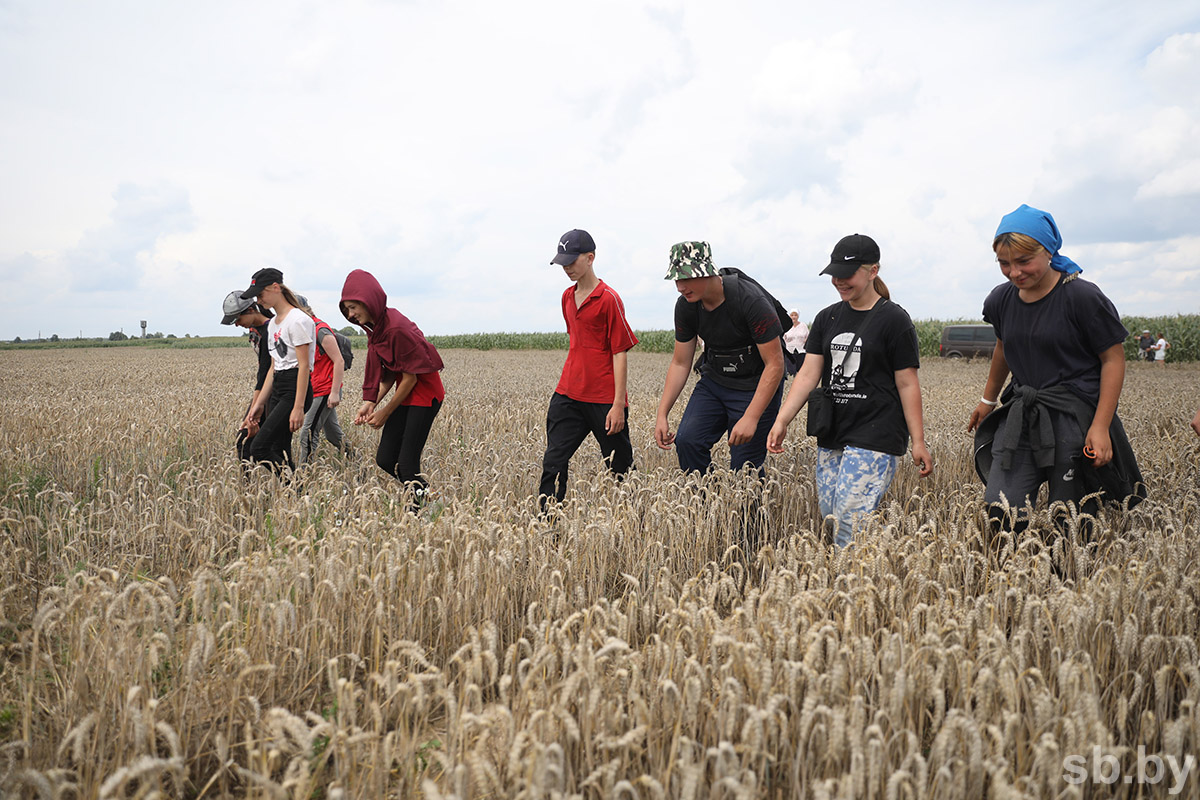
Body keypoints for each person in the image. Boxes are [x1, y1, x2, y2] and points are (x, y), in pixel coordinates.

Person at [967, 205, 1141, 536]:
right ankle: (1011, 577)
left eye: (1023, 261)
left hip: (1073, 417)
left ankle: (1073, 578)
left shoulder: (1082, 298)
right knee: (1002, 505)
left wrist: (1101, 426)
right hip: (1023, 414)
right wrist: (988, 400)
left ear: (1048, 251)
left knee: (1072, 516)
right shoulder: (1001, 300)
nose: (1014, 272)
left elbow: (1113, 360)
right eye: (1005, 264)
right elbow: (1004, 346)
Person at [767, 234, 932, 548]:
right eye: (834, 275)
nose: (839, 281)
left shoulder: (895, 320)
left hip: (876, 432)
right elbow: (807, 374)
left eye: (848, 275)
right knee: (831, 512)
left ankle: (849, 588)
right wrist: (782, 419)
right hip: (834, 429)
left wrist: (919, 441)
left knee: (850, 518)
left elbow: (907, 383)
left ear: (873, 272)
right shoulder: (828, 317)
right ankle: (863, 568)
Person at [654, 241, 784, 475]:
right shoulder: (686, 306)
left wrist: (751, 417)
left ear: (708, 271)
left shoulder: (749, 300)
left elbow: (775, 364)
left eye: (686, 278)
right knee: (688, 441)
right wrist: (662, 413)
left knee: (745, 469)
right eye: (677, 279)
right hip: (715, 382)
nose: (680, 287)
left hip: (754, 386)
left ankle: (746, 511)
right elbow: (681, 362)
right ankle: (709, 505)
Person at [539, 229, 639, 512]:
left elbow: (619, 352)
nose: (567, 267)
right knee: (553, 462)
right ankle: (547, 525)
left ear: (590, 258)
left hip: (604, 400)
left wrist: (618, 404)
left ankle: (633, 523)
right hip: (567, 395)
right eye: (562, 263)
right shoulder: (566, 298)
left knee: (620, 468)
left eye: (571, 261)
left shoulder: (609, 299)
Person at [340, 269, 445, 510]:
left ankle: (417, 516)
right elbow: (390, 372)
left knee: (407, 464)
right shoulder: (376, 328)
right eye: (346, 309)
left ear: (370, 300)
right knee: (385, 459)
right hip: (406, 393)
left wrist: (385, 412)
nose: (351, 314)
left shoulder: (396, 329)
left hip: (425, 395)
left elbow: (411, 379)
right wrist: (371, 403)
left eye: (354, 307)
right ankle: (431, 498)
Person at [240, 268, 315, 470]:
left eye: (260, 294)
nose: (258, 300)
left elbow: (303, 366)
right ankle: (295, 496)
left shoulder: (298, 320)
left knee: (259, 447)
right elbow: (274, 366)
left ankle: (296, 488)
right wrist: (259, 405)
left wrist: (298, 408)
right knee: (280, 447)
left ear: (275, 288)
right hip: (278, 388)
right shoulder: (273, 324)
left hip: (294, 389)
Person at [220, 290, 274, 460]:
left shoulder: (270, 331)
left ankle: (290, 483)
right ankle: (249, 486)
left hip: (274, 389)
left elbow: (265, 372)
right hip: (265, 389)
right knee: (245, 441)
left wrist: (255, 408)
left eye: (237, 319)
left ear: (251, 310)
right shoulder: (254, 328)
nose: (236, 324)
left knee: (249, 440)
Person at [295, 296, 349, 463]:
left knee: (308, 432)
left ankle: (304, 475)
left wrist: (334, 393)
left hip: (325, 390)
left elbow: (339, 360)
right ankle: (359, 462)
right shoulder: (306, 331)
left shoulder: (320, 330)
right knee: (333, 435)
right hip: (316, 388)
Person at [783, 308, 808, 376]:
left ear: (798, 316)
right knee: (790, 372)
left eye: (795, 315)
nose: (794, 317)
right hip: (789, 352)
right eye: (792, 315)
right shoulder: (786, 326)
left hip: (801, 351)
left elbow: (808, 336)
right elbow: (783, 338)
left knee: (801, 372)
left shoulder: (803, 325)